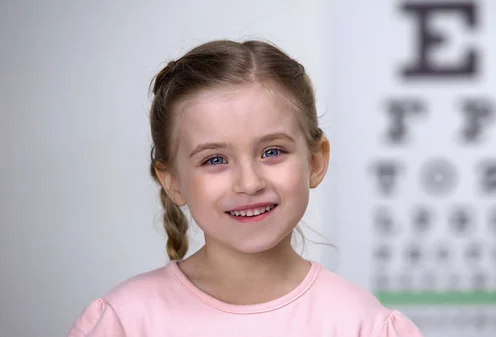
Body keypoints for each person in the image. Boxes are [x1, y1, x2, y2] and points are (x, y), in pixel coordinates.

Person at [68, 39, 423, 337]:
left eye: (272, 152)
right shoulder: (125, 321)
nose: (249, 183)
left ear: (315, 161)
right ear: (173, 181)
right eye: (215, 160)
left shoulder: (364, 325)